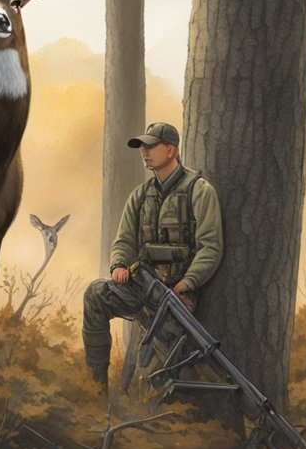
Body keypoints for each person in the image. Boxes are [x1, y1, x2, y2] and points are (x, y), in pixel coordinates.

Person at [82, 121, 224, 394]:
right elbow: (123, 239)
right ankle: (95, 385)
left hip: (177, 297)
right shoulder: (140, 195)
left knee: (153, 377)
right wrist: (120, 264)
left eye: (151, 146)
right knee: (95, 294)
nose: (144, 152)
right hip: (142, 289)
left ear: (171, 150)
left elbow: (210, 247)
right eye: (142, 147)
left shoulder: (200, 190)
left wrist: (187, 283)